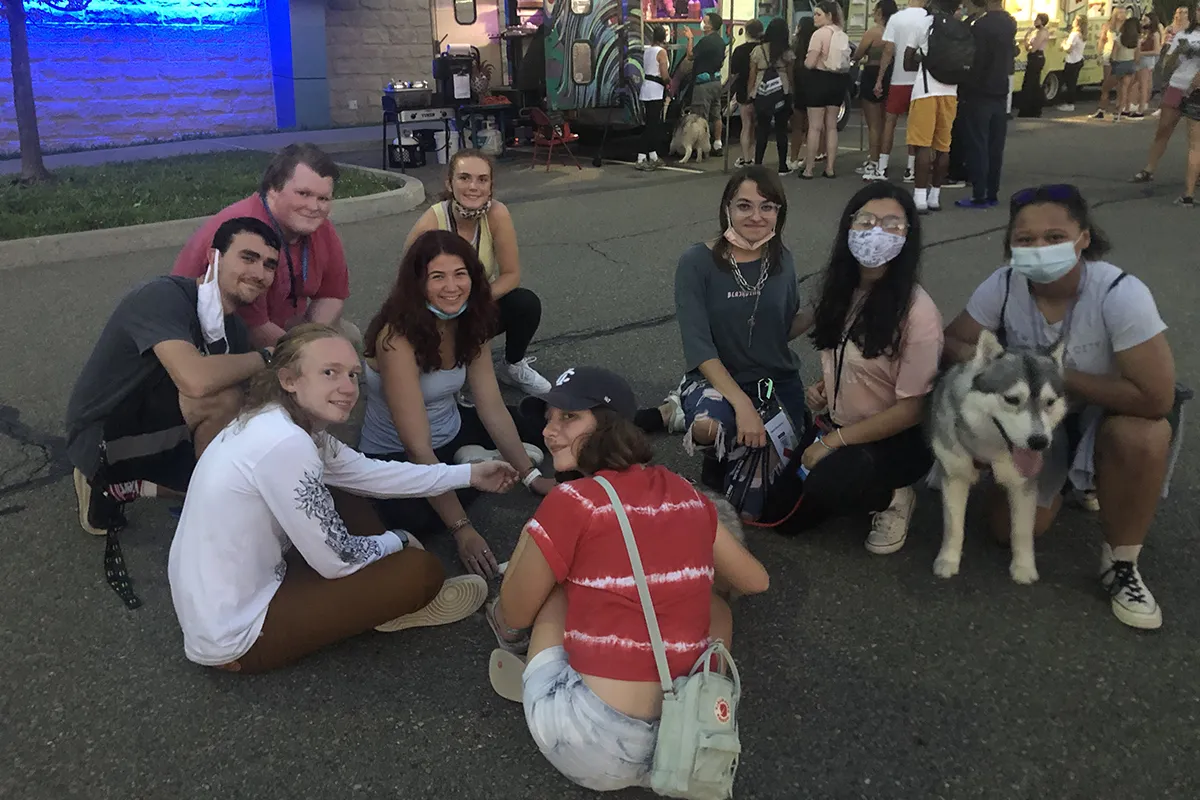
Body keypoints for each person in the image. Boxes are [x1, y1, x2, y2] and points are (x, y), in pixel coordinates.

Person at [167, 323, 520, 674]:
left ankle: (379, 594)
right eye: (329, 373)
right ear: (288, 379)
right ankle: (390, 599)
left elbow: (369, 474)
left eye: (352, 374)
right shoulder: (286, 444)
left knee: (342, 490)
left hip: (235, 592)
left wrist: (469, 474)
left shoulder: (278, 419)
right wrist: (398, 540)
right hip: (239, 635)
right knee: (422, 571)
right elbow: (336, 561)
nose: (348, 387)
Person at [486, 365, 769, 792]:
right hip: (682, 741)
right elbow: (756, 581)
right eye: (549, 417)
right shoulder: (686, 493)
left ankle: (539, 675)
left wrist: (536, 533)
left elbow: (516, 612)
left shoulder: (573, 500)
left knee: (557, 586)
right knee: (717, 609)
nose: (548, 431)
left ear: (608, 425)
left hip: (587, 744)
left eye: (568, 417)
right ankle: (690, 696)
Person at [943, 184, 1177, 630]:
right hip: (1036, 418)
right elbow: (953, 341)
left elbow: (1156, 397)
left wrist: (1053, 377)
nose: (1039, 248)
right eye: (1025, 239)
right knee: (1007, 531)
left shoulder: (1120, 293)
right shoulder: (1005, 284)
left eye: (1054, 237)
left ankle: (1122, 563)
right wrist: (999, 369)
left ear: (1083, 238)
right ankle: (1071, 478)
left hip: (1102, 411)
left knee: (1143, 435)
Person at [359, 230, 556, 579]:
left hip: (454, 428)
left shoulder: (470, 321)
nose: (451, 287)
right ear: (418, 283)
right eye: (438, 276)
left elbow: (491, 406)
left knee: (545, 425)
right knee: (414, 519)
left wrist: (531, 477)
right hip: (399, 453)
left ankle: (474, 462)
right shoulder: (396, 339)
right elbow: (417, 448)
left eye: (459, 274)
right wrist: (462, 529)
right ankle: (473, 466)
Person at [66, 217, 281, 536]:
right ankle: (104, 481)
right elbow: (196, 380)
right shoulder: (162, 297)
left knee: (247, 465)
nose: (259, 273)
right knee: (224, 406)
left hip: (156, 417)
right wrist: (267, 356)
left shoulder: (233, 328)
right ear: (214, 257)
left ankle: (140, 488)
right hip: (99, 435)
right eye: (248, 258)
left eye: (269, 265)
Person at [787, 182, 941, 552]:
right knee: (786, 516)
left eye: (892, 225)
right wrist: (825, 385)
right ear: (849, 226)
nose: (876, 232)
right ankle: (850, 475)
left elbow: (912, 408)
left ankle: (894, 497)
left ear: (908, 236)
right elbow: (849, 355)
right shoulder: (840, 290)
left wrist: (831, 442)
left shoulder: (918, 313)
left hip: (895, 439)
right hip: (841, 422)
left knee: (826, 484)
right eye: (866, 221)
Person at [674, 166, 809, 493]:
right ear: (727, 209)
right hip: (718, 380)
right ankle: (715, 451)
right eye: (744, 206)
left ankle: (677, 415)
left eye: (767, 206)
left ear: (779, 212)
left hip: (775, 381)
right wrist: (743, 406)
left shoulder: (782, 260)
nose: (756, 216)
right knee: (709, 427)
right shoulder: (696, 262)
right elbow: (699, 347)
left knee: (763, 500)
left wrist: (826, 307)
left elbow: (782, 331)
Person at [172, 144, 355, 349]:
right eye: (303, 194)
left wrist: (313, 337)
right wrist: (307, 353)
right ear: (273, 190)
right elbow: (253, 329)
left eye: (323, 198)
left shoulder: (321, 228)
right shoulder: (246, 231)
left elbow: (331, 295)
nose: (314, 207)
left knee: (349, 337)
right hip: (212, 335)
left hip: (280, 325)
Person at [403, 149, 552, 396]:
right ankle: (444, 373)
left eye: (482, 179)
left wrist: (472, 302)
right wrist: (447, 310)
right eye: (464, 178)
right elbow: (408, 286)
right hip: (435, 311)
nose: (473, 187)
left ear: (491, 186)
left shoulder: (497, 214)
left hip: (475, 304)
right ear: (449, 183)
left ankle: (512, 365)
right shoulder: (431, 222)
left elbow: (511, 275)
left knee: (525, 303)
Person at [956, 0, 1017, 209]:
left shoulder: (981, 26)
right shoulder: (1009, 22)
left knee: (978, 144)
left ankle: (979, 193)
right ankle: (992, 192)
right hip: (1000, 88)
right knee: (995, 145)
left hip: (980, 91)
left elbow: (977, 60)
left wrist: (966, 84)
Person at [904, 0, 963, 213]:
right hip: (950, 92)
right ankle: (935, 197)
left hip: (925, 91)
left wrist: (923, 60)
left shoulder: (924, 24)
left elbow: (907, 63)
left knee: (922, 146)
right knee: (943, 147)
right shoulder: (960, 27)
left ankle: (919, 198)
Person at [1131, 5, 1199, 184]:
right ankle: (1149, 168)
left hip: (1197, 90)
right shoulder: (1184, 35)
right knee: (1164, 128)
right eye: (1199, 10)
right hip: (1177, 85)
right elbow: (1167, 63)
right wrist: (1177, 52)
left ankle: (1196, 173)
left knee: (1196, 138)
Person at [877, 0, 931, 182]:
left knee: (890, 122)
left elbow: (888, 50)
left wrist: (879, 79)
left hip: (898, 79)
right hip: (921, 80)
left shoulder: (896, 18)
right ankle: (911, 168)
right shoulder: (929, 18)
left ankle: (882, 167)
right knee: (915, 124)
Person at [802, 1, 853, 179]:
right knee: (831, 126)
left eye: (818, 14)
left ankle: (809, 169)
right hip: (838, 81)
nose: (814, 18)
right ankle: (830, 168)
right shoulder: (841, 33)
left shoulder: (819, 34)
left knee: (815, 127)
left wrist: (806, 61)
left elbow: (810, 63)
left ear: (829, 16)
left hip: (819, 79)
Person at [857, 0, 899, 181]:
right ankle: (882, 159)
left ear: (880, 12)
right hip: (891, 74)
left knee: (873, 124)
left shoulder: (874, 32)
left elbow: (858, 53)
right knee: (885, 122)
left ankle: (873, 160)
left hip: (872, 73)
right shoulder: (895, 32)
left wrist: (859, 58)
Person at [748, 17, 796, 173]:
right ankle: (782, 166)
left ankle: (758, 164)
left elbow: (752, 75)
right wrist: (792, 92)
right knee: (781, 130)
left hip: (762, 91)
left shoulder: (758, 50)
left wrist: (750, 93)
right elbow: (791, 76)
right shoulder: (787, 53)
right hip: (782, 91)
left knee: (762, 129)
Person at [683, 12, 728, 154]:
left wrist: (690, 38)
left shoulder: (705, 41)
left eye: (705, 21)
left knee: (700, 117)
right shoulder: (721, 42)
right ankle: (718, 144)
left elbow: (690, 56)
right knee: (716, 114)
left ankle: (702, 148)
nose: (702, 22)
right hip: (716, 82)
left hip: (703, 84)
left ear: (710, 26)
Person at [729, 19, 763, 167]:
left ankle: (746, 157)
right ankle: (754, 156)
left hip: (743, 89)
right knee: (756, 125)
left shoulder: (739, 50)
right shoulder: (764, 49)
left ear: (747, 32)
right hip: (762, 89)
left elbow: (733, 71)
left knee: (746, 125)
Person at [637, 24, 671, 170]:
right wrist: (668, 82)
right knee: (652, 125)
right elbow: (663, 72)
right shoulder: (661, 52)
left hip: (646, 89)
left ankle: (653, 155)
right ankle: (641, 157)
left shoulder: (648, 51)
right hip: (656, 91)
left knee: (652, 123)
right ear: (664, 37)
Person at [1093, 8, 1127, 119]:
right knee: (1106, 83)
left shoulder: (1127, 27)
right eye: (1120, 12)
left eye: (1124, 12)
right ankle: (1102, 109)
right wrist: (1099, 54)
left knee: (1120, 84)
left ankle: (1119, 107)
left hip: (1121, 56)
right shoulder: (1108, 26)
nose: (1123, 15)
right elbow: (1102, 40)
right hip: (1108, 54)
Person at [1017, 13, 1050, 118]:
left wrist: (1028, 43)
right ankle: (1030, 108)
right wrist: (1027, 39)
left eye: (1037, 19)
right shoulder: (1036, 32)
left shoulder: (1042, 32)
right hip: (1033, 57)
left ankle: (1030, 109)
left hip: (1037, 57)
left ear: (1042, 21)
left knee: (1031, 83)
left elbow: (1033, 49)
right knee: (1031, 82)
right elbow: (1028, 48)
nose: (1035, 21)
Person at [1111, 14, 1141, 119]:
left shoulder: (1119, 38)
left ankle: (1119, 109)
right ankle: (1124, 109)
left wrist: (1113, 63)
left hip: (1120, 64)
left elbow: (1113, 54)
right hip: (1130, 64)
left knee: (1120, 89)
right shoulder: (1136, 40)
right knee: (1127, 88)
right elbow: (1137, 56)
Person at [1056, 15, 1088, 112]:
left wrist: (1063, 45)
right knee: (1072, 83)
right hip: (1079, 59)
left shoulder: (1074, 34)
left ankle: (1069, 104)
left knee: (1069, 83)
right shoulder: (1083, 34)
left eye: (1074, 20)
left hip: (1072, 61)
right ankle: (1070, 103)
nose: (1073, 21)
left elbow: (1069, 50)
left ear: (1077, 23)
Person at [1134, 13, 1163, 117]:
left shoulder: (1155, 34)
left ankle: (1141, 109)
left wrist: (1141, 53)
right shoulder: (1144, 33)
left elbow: (1157, 51)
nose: (1142, 22)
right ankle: (1141, 104)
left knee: (1144, 84)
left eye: (1145, 20)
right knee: (1142, 83)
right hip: (1142, 60)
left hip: (1147, 60)